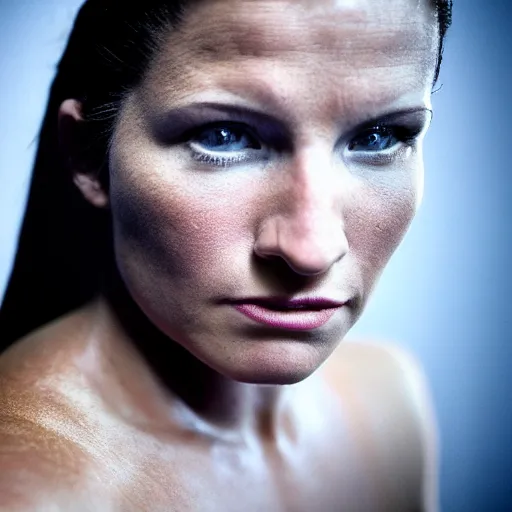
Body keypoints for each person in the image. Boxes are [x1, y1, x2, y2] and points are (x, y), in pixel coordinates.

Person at [0, 0, 453, 510]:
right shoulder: (25, 491)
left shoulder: (388, 403)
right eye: (225, 136)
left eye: (380, 137)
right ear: (87, 154)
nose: (312, 250)